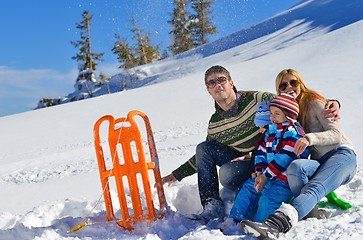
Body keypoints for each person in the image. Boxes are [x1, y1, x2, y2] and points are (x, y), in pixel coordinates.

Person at [161, 65, 340, 222]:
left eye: (221, 79)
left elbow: (289, 99)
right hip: (255, 161)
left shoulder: (258, 99)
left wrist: (331, 103)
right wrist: (177, 174)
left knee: (240, 178)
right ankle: (212, 206)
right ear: (208, 89)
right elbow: (203, 156)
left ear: (231, 83)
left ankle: (265, 204)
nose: (217, 84)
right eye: (211, 82)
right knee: (204, 149)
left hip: (278, 158)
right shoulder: (215, 123)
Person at [240, 69, 357, 239]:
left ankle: (275, 225)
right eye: (283, 85)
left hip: (341, 154)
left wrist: (310, 138)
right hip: (319, 161)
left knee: (314, 187)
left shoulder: (314, 102)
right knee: (295, 167)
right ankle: (311, 212)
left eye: (293, 82)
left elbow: (336, 134)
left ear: (300, 83)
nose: (289, 87)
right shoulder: (288, 113)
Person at [228, 94, 309, 223]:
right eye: (271, 113)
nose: (272, 117)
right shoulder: (270, 132)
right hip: (268, 176)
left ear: (289, 116)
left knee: (268, 199)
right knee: (249, 188)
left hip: (284, 180)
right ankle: (235, 219)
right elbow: (261, 152)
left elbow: (284, 158)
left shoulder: (293, 133)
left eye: (277, 113)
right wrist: (260, 172)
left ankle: (262, 224)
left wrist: (265, 176)